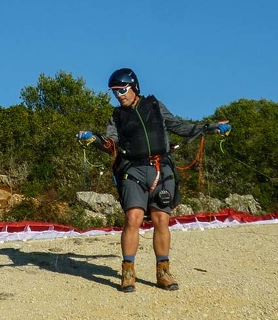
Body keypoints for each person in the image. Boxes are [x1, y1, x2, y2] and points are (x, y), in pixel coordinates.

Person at [77, 68, 231, 292]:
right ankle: (128, 272)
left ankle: (163, 272)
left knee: (161, 219)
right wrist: (94, 139)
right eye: (114, 92)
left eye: (122, 89)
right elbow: (110, 143)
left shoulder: (154, 105)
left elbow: (179, 126)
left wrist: (211, 127)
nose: (119, 95)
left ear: (134, 87)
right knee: (133, 218)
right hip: (133, 171)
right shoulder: (117, 116)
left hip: (162, 168)